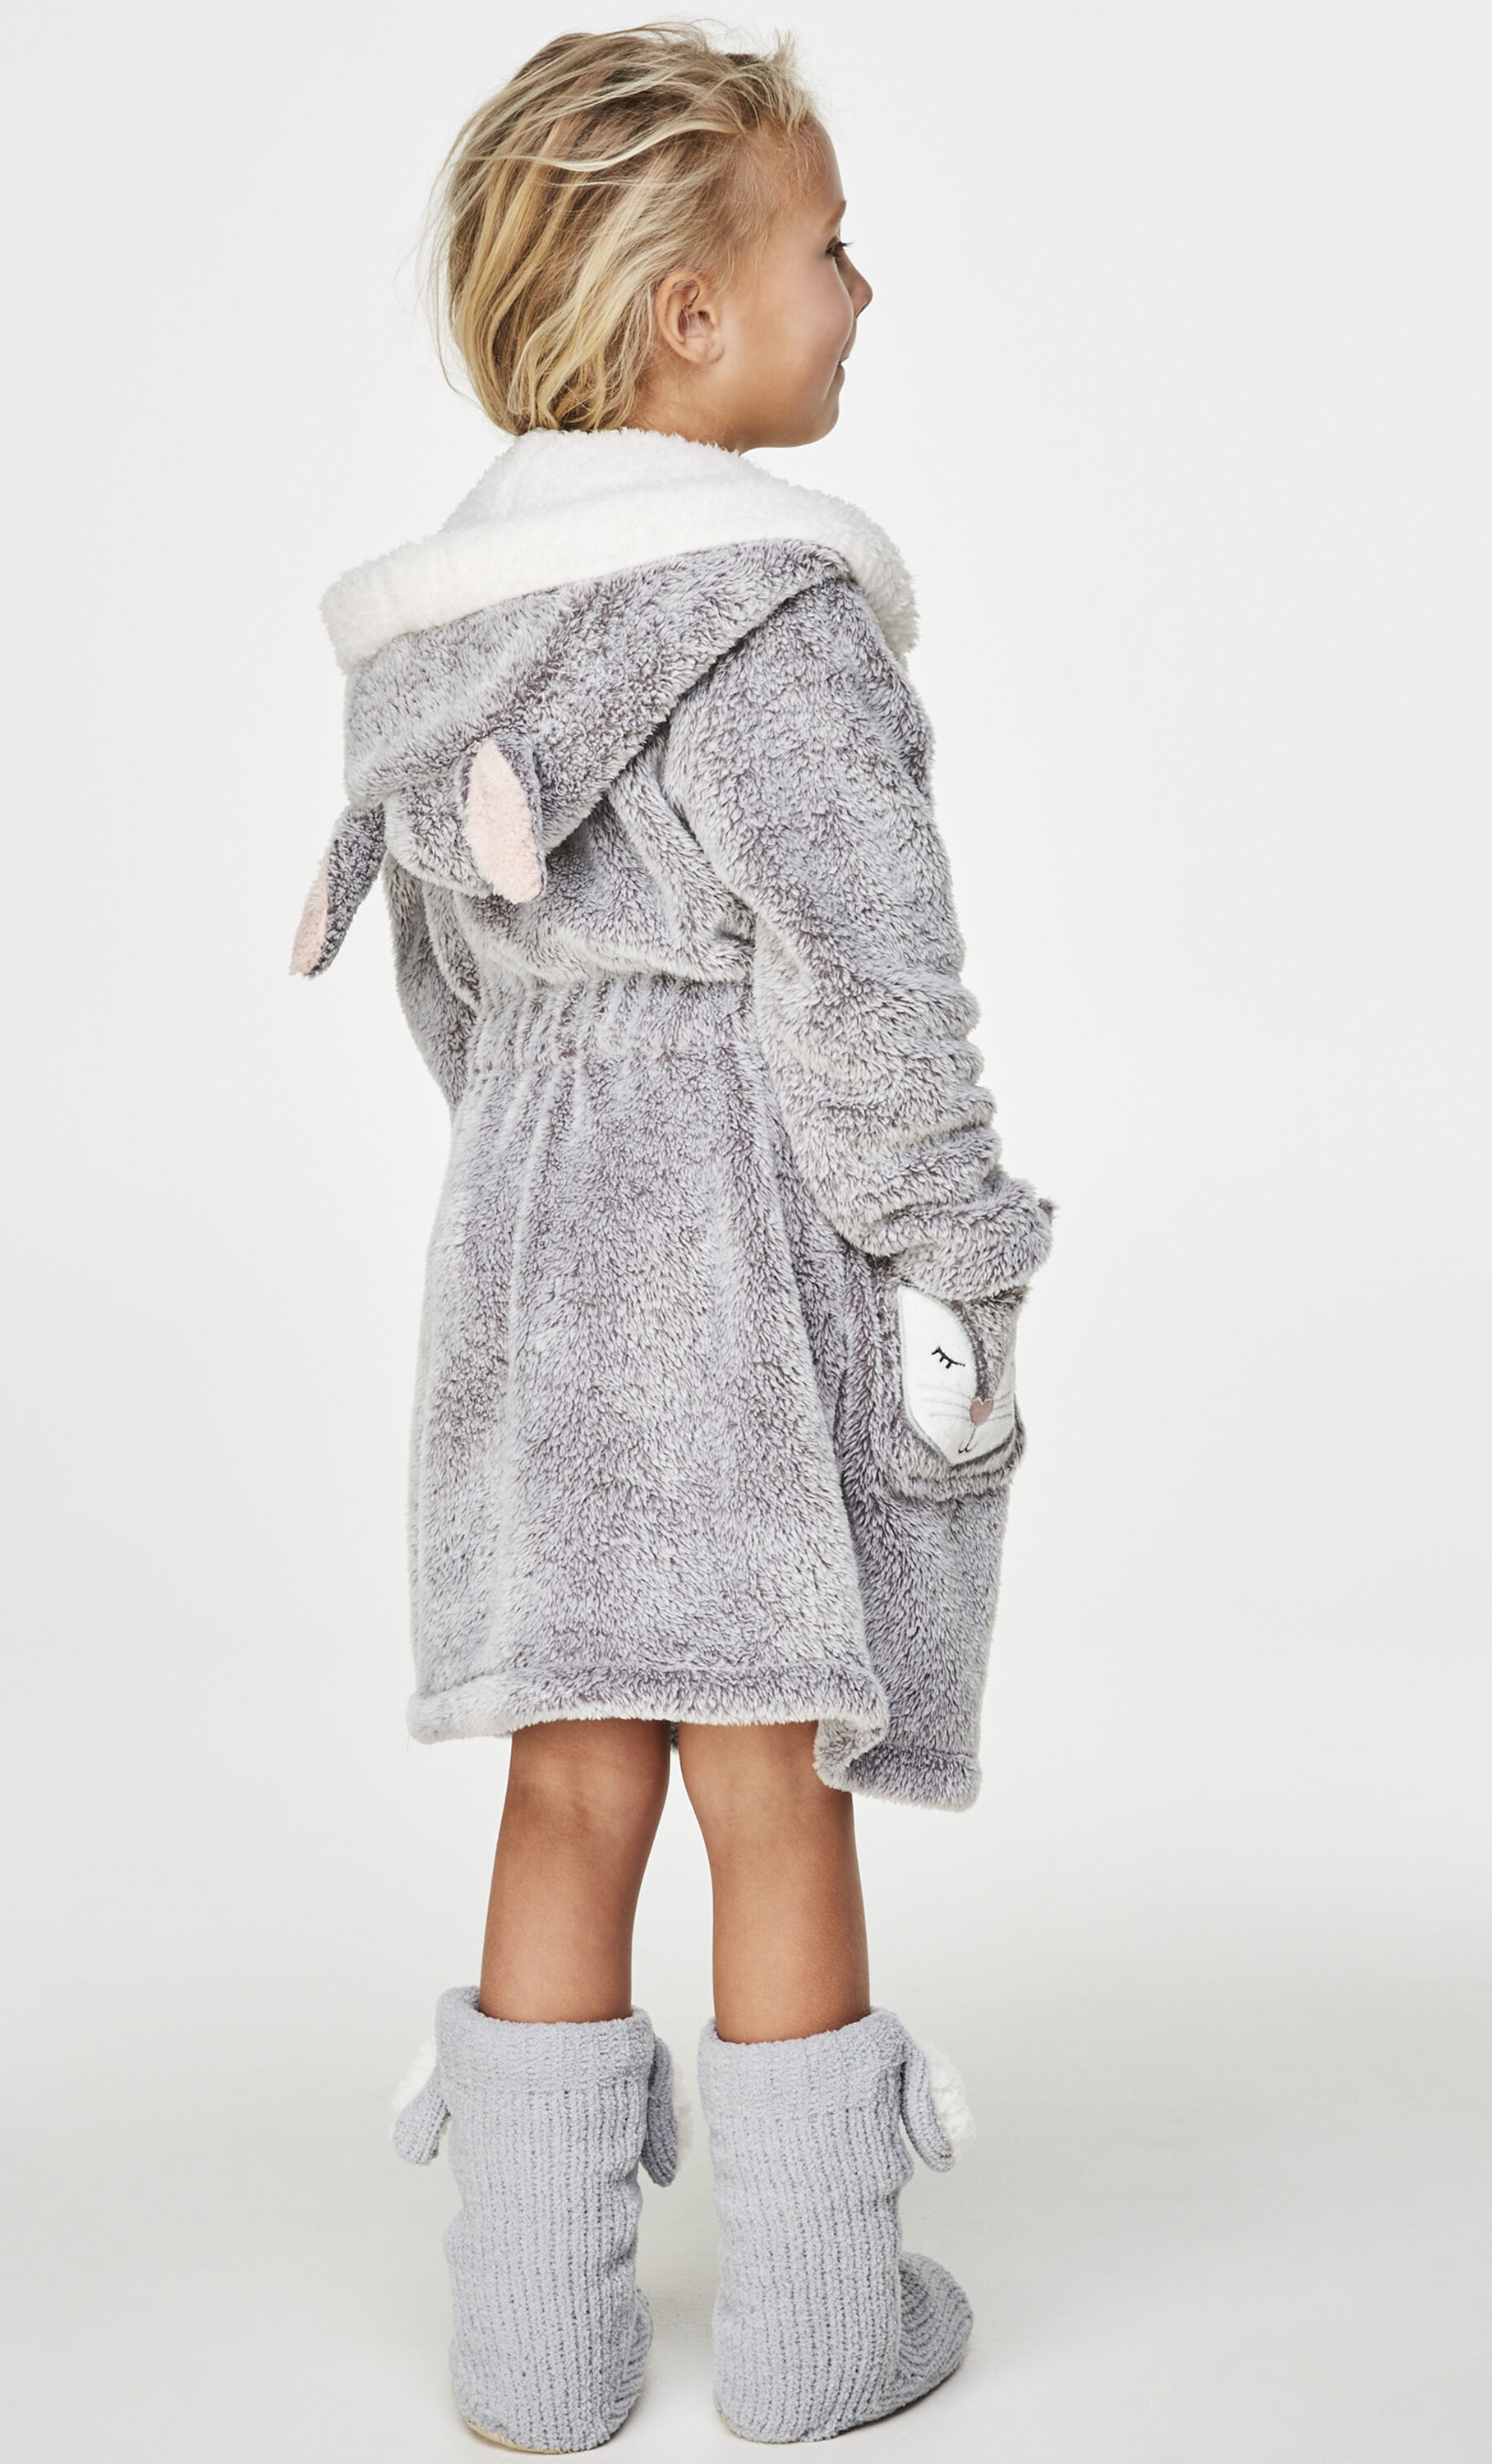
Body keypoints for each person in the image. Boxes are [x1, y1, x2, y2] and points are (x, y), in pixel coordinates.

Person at [293, 25, 1053, 2450]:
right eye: (825, 246)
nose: (863, 287)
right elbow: (867, 971)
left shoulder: (450, 645)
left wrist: (552, 1167)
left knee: (565, 1774)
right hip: (744, 1240)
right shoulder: (767, 622)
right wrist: (949, 1257)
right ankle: (820, 2333)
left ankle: (534, 2349)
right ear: (686, 320)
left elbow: (447, 992)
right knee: (766, 1772)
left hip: (531, 1259)